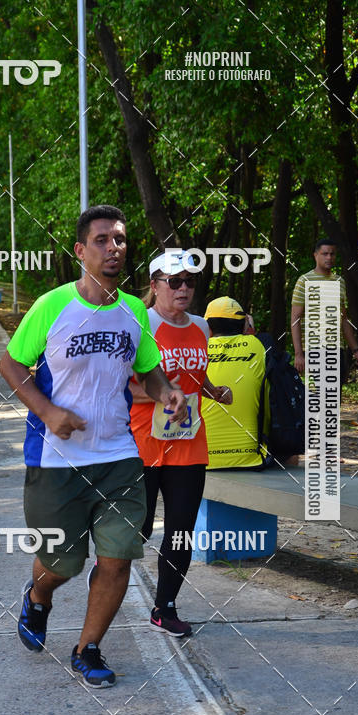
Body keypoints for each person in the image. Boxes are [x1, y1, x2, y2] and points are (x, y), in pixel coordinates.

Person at [0, 204, 187, 688]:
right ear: (81, 250)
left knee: (118, 557)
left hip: (119, 457)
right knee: (62, 562)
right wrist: (48, 412)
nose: (113, 248)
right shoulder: (52, 306)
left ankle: (87, 649)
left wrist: (168, 392)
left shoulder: (133, 314)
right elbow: (11, 365)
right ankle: (38, 598)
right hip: (57, 460)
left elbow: (148, 369)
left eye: (120, 240)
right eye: (102, 240)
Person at [128, 252, 232, 637]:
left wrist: (214, 391)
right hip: (142, 443)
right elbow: (124, 383)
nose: (184, 288)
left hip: (188, 444)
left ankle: (165, 608)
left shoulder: (202, 327)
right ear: (155, 285)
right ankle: (104, 574)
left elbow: (195, 375)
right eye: (175, 281)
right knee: (136, 532)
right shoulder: (142, 323)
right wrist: (161, 396)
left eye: (189, 281)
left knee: (180, 531)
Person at [202, 297, 270, 470]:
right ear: (244, 325)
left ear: (208, 328)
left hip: (202, 459)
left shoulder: (196, 348)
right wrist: (249, 329)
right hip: (250, 459)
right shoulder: (258, 345)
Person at [290, 239, 358, 386]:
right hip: (315, 348)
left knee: (333, 400)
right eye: (325, 254)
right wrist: (298, 354)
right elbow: (295, 319)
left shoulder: (339, 281)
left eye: (332, 254)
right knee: (320, 398)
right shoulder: (304, 280)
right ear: (315, 255)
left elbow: (343, 319)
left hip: (336, 349)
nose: (329, 257)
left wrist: (355, 349)